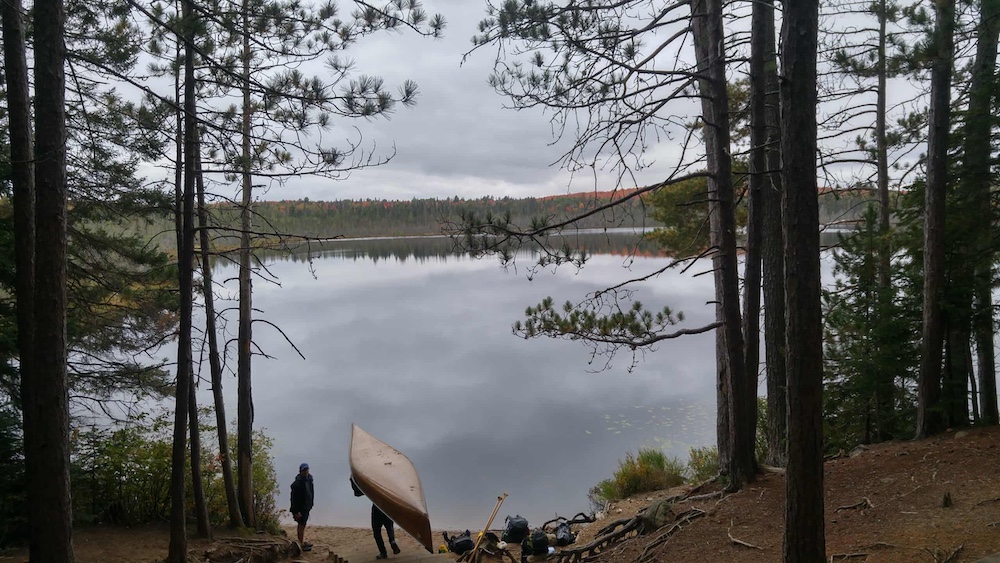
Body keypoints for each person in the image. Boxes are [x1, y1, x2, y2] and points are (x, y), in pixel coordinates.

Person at [351, 476, 400, 559]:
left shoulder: (372, 484)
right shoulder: (387, 482)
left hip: (377, 508)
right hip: (387, 507)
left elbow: (358, 493)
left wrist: (352, 480)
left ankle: (383, 553)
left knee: (377, 532)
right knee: (389, 527)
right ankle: (392, 541)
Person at [290, 463, 315, 551]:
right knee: (301, 525)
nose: (306, 472)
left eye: (307, 470)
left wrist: (311, 503)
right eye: (304, 470)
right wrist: (295, 511)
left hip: (306, 506)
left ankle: (301, 542)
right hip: (300, 509)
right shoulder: (296, 484)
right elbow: (293, 499)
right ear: (300, 471)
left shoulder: (309, 480)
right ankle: (301, 543)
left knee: (303, 525)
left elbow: (311, 493)